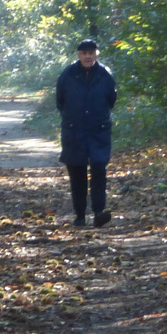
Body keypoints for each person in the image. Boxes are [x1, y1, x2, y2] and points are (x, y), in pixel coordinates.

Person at [56, 38, 116, 227]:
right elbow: (60, 101)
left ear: (97, 54)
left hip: (99, 130)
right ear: (78, 55)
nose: (88, 56)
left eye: (91, 53)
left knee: (99, 169)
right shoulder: (68, 74)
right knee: (77, 171)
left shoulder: (105, 75)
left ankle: (99, 212)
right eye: (84, 53)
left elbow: (111, 100)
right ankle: (80, 215)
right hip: (74, 130)